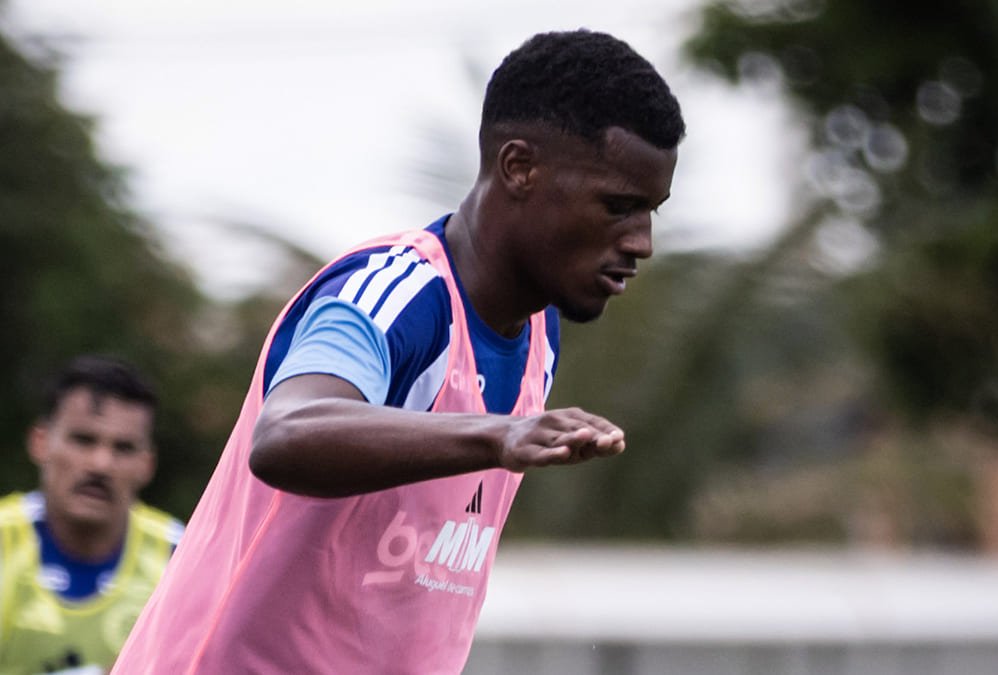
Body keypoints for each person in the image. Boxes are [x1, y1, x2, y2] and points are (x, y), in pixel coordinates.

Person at [113, 28, 684, 674]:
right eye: (618, 206)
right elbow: (286, 431)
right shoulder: (397, 295)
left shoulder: (540, 337)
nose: (641, 242)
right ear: (519, 167)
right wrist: (498, 434)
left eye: (652, 212)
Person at [0, 355, 183, 674]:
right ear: (40, 442)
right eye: (83, 440)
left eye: (123, 448)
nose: (101, 464)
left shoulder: (181, 561)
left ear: (147, 465)